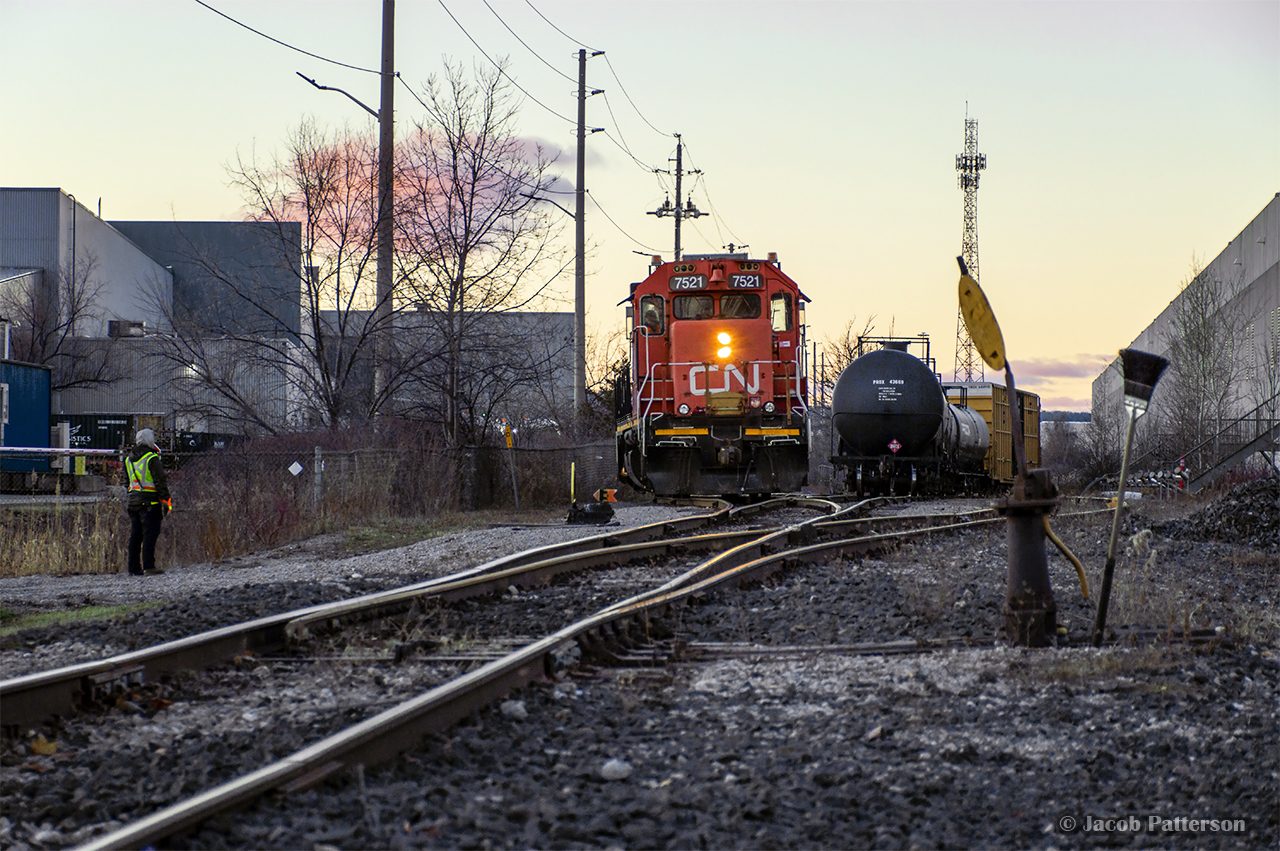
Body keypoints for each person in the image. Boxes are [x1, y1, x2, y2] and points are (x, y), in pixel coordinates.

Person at [125, 428, 170, 576]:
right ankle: (149, 567)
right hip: (150, 503)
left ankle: (133, 568)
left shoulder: (128, 459)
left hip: (133, 501)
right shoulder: (152, 458)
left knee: (135, 535)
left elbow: (127, 483)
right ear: (150, 440)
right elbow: (160, 481)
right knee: (150, 534)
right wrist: (167, 502)